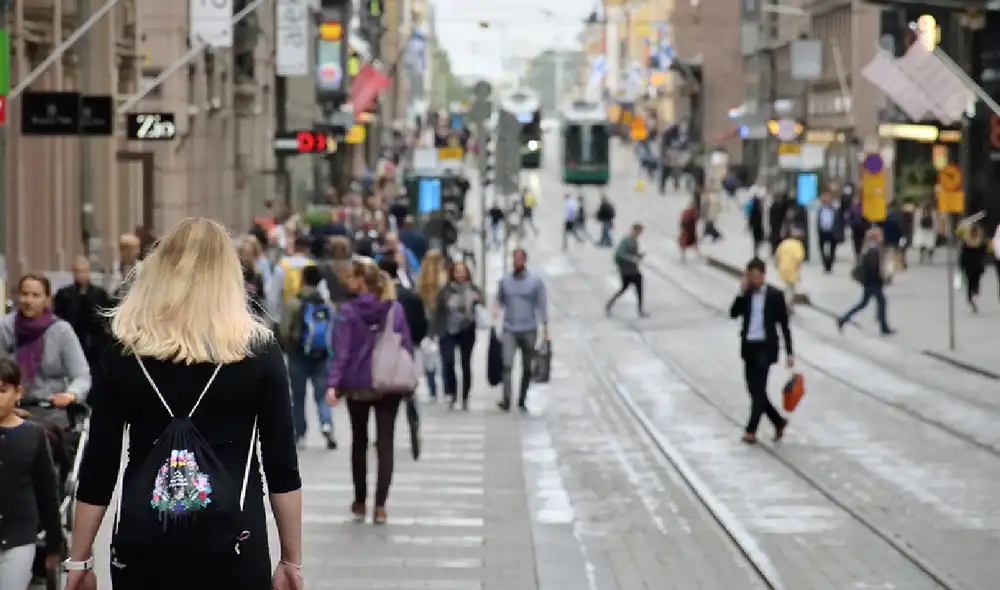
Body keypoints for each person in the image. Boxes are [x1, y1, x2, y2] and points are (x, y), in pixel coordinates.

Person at [66, 218, 303, 590]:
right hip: (235, 541)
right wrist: (292, 560)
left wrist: (79, 558)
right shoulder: (258, 351)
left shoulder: (125, 351)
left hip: (143, 539)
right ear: (229, 277)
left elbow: (100, 464)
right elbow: (282, 466)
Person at [325, 259, 413, 525]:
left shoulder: (350, 311)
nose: (347, 282)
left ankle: (361, 501)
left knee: (359, 442)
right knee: (385, 443)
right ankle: (381, 507)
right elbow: (406, 345)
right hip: (389, 382)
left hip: (358, 383)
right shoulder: (394, 309)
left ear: (362, 280)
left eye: (351, 277)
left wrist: (334, 384)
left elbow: (343, 351)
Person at [0, 357, 62, 590]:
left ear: (18, 392)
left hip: (19, 539)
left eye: (2, 390)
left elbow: (47, 492)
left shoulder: (33, 436)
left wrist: (54, 545)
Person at [0, 274, 91, 430]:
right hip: (12, 410)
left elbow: (82, 376)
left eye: (36, 295)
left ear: (47, 299)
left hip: (51, 412)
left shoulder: (62, 331)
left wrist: (70, 395)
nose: (29, 301)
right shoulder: (5, 327)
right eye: (24, 294)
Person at [729, 258, 792, 445]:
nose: (753, 280)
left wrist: (789, 353)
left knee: (758, 390)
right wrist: (741, 292)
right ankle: (778, 421)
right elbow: (733, 313)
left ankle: (750, 430)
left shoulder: (775, 295)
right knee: (753, 390)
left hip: (766, 347)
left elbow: (784, 325)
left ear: (763, 275)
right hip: (749, 346)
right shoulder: (746, 294)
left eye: (756, 277)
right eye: (750, 277)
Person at [280, 265, 337, 450]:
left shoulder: (293, 302)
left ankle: (300, 434)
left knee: (298, 395)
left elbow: (284, 330)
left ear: (303, 279)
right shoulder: (326, 304)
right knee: (322, 395)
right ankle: (326, 424)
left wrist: (287, 347)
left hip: (298, 354)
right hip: (322, 355)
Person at [494, 249, 548, 412]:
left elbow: (541, 305)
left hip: (529, 328)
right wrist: (495, 310)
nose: (517, 262)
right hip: (510, 328)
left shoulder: (535, 282)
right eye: (515, 259)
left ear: (525, 261)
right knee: (507, 364)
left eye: (520, 260)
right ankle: (507, 398)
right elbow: (500, 299)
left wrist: (545, 327)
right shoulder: (505, 281)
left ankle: (522, 398)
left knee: (527, 366)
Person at [432, 260, 483, 410]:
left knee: (466, 364)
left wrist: (476, 301)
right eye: (457, 272)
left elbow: (482, 303)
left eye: (463, 271)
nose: (460, 274)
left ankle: (465, 395)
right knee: (448, 361)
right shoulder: (445, 290)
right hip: (448, 329)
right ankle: (452, 392)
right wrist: (434, 331)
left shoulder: (473, 289)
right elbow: (438, 311)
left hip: (467, 329)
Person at [53, 256, 112, 370]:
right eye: (78, 271)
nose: (81, 275)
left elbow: (104, 318)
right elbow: (59, 317)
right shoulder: (64, 294)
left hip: (95, 346)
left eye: (84, 271)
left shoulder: (99, 293)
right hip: (72, 339)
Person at [837, 227, 895, 335]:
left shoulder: (870, 248)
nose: (882, 238)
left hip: (870, 282)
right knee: (878, 302)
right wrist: (881, 278)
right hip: (873, 282)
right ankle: (883, 327)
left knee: (867, 303)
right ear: (876, 238)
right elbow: (872, 268)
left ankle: (844, 319)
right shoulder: (873, 250)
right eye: (880, 236)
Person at [416, 250, 448, 401]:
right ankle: (446, 388)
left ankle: (432, 389)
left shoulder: (420, 281)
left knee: (427, 359)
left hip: (425, 325)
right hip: (441, 324)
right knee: (442, 358)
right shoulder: (443, 280)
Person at [269, 235, 315, 320]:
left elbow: (273, 297)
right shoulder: (312, 266)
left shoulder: (282, 265)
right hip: (308, 316)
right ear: (308, 249)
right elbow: (322, 294)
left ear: (294, 248)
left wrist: (274, 318)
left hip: (285, 315)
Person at [605, 223, 647, 317]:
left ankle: (609, 304)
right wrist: (632, 258)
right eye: (639, 231)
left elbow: (632, 254)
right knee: (635, 288)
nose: (639, 234)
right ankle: (640, 310)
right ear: (634, 230)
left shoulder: (633, 240)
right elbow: (620, 253)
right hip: (628, 270)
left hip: (631, 269)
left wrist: (639, 256)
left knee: (625, 288)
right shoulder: (627, 240)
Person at [958, 223, 988, 313]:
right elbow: (984, 253)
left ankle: (973, 293)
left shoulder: (977, 241)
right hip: (971, 264)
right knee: (971, 280)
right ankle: (971, 295)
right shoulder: (968, 241)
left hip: (974, 265)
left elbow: (984, 253)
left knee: (974, 280)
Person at [775, 227, 806, 314]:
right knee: (791, 288)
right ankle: (788, 305)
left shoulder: (784, 243)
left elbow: (777, 255)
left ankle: (787, 305)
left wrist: (777, 265)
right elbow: (799, 258)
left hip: (783, 268)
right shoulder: (798, 245)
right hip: (792, 270)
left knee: (787, 287)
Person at [239, 237, 268, 317]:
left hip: (252, 316)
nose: (246, 257)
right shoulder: (236, 273)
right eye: (243, 253)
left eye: (249, 254)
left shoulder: (257, 275)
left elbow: (261, 299)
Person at [817, 192, 839, 272]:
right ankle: (825, 264)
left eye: (827, 200)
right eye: (824, 200)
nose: (825, 201)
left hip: (831, 232)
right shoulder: (819, 209)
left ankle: (830, 264)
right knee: (822, 249)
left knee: (832, 250)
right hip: (822, 231)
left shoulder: (834, 209)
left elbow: (837, 220)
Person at [678, 197, 699, 262]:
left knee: (684, 240)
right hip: (690, 226)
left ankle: (683, 255)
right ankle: (697, 254)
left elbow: (682, 219)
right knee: (692, 239)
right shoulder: (693, 210)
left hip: (685, 226)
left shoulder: (686, 210)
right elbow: (695, 218)